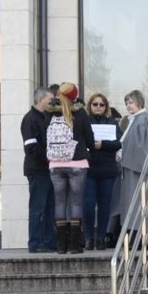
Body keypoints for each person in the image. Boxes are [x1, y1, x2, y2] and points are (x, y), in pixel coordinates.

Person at [45, 83, 95, 253]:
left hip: (55, 163)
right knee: (75, 202)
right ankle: (74, 245)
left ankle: (61, 245)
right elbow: (89, 139)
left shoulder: (49, 113)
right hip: (77, 163)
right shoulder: (80, 113)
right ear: (75, 96)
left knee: (59, 202)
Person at [115, 90, 148, 241]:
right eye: (127, 103)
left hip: (137, 169)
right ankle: (138, 235)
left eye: (131, 102)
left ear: (139, 102)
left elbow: (142, 147)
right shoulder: (137, 120)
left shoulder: (141, 121)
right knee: (135, 202)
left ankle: (139, 236)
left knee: (138, 202)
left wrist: (124, 154)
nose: (128, 105)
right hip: (133, 167)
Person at [82, 92, 122, 250]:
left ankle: (101, 238)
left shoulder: (112, 122)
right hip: (89, 168)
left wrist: (102, 145)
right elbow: (80, 140)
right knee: (88, 204)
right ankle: (89, 237)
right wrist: (93, 145)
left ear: (106, 107)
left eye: (101, 104)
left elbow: (119, 143)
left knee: (105, 205)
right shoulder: (84, 121)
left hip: (107, 169)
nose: (98, 107)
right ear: (90, 106)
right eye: (95, 104)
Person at [22, 87, 56, 253]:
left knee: (50, 207)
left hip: (49, 169)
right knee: (38, 208)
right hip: (38, 170)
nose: (53, 103)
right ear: (40, 100)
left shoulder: (47, 118)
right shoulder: (30, 119)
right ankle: (35, 243)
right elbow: (31, 148)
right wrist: (50, 156)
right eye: (50, 100)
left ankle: (49, 241)